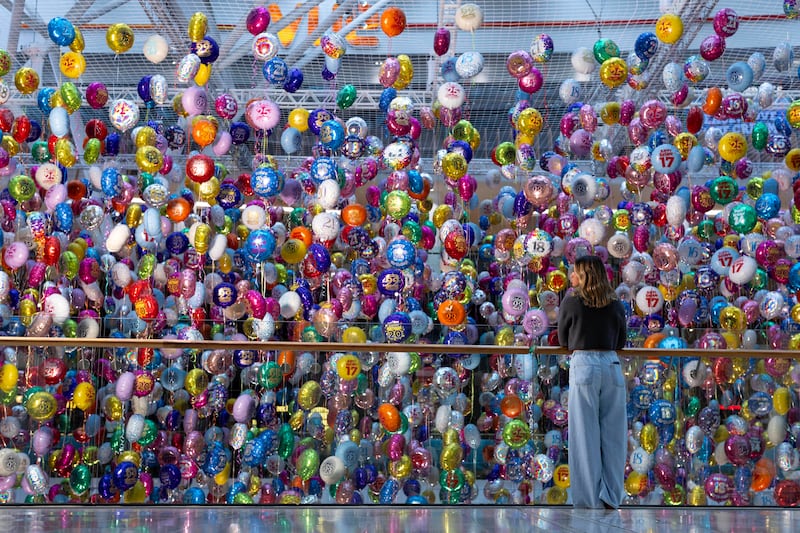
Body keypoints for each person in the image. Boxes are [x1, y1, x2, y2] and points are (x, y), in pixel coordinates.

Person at [557, 255, 628, 510]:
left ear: (583, 274)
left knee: (584, 434)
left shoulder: (572, 300)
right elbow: (621, 341)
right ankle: (612, 496)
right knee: (614, 434)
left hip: (584, 363)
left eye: (574, 272)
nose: (571, 276)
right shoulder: (615, 303)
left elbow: (562, 338)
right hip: (611, 363)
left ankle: (588, 500)